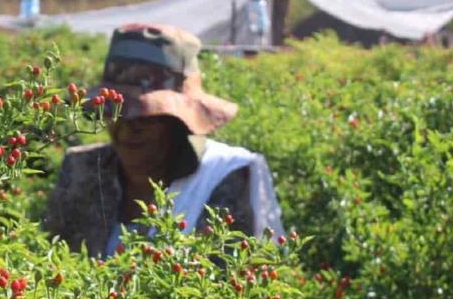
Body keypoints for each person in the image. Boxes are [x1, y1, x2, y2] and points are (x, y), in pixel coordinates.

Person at [45, 23, 285, 257]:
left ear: (178, 122)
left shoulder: (226, 175)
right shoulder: (83, 169)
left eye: (147, 116)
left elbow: (232, 282)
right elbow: (57, 261)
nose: (129, 128)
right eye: (116, 112)